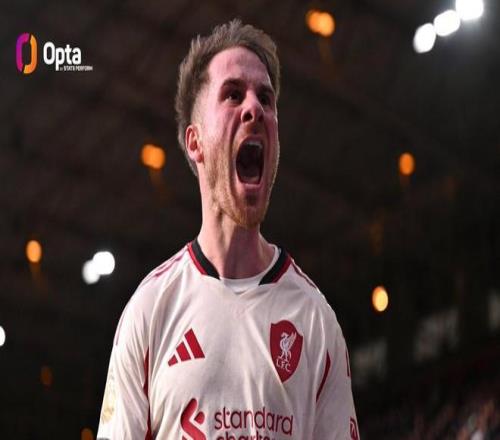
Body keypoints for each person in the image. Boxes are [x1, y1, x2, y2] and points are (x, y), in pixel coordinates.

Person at [97, 19, 359, 440]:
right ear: (195, 142)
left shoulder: (315, 320)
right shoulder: (149, 311)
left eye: (266, 99)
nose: (255, 108)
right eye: (233, 94)